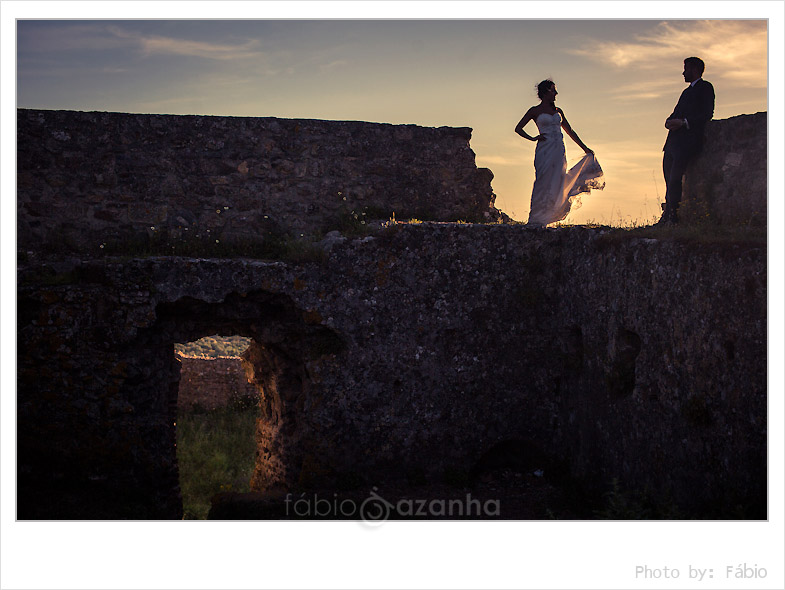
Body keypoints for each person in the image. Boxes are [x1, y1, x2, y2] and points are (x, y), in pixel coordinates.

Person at [515, 79, 604, 227]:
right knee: (543, 180)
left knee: (558, 180)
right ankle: (537, 217)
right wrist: (533, 138)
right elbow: (518, 128)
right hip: (544, 149)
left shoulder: (558, 111)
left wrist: (585, 148)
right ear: (545, 92)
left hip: (558, 149)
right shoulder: (534, 111)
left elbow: (570, 131)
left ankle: (549, 215)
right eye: (553, 90)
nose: (556, 93)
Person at [658, 57, 715, 225]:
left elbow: (707, 114)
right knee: (669, 180)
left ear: (695, 69)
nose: (683, 72)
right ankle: (668, 216)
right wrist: (669, 122)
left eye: (686, 69)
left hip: (687, 143)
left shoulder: (705, 88)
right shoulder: (685, 92)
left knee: (675, 179)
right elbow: (675, 113)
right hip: (672, 143)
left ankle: (673, 217)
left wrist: (684, 122)